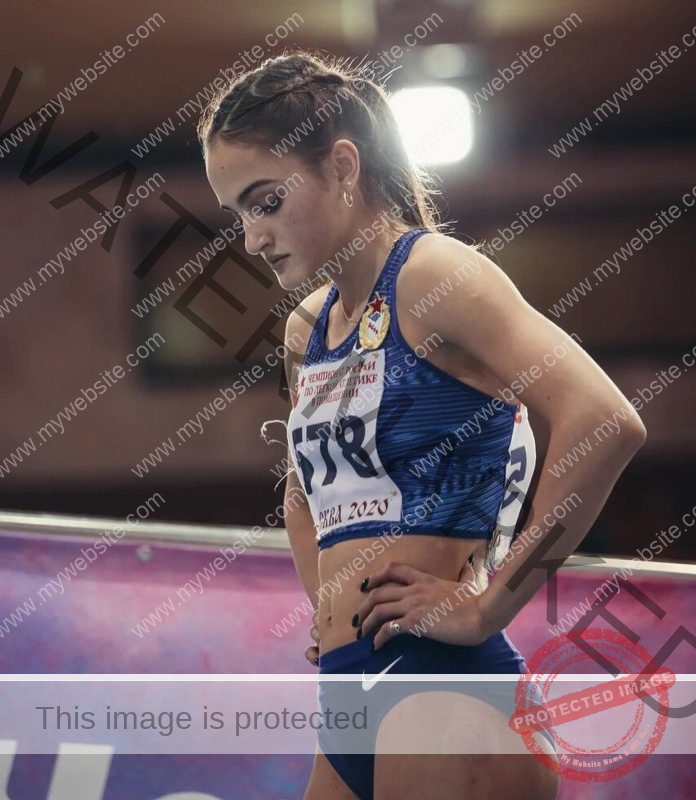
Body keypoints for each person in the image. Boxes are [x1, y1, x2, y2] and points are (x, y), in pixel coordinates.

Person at [197, 49, 647, 800]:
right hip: (348, 695)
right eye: (236, 212)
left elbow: (607, 420)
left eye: (265, 201)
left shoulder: (433, 273)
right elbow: (303, 496)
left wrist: (487, 605)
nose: (250, 237)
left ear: (342, 166)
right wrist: (329, 607)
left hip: (446, 688)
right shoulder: (309, 328)